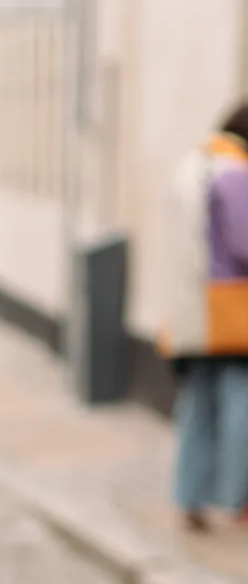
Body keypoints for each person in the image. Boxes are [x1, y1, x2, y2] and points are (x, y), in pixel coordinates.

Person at [163, 102, 248, 531]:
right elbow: (245, 244)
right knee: (239, 406)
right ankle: (238, 499)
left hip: (192, 314)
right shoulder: (234, 172)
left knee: (196, 406)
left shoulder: (193, 165)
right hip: (233, 313)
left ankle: (190, 496)